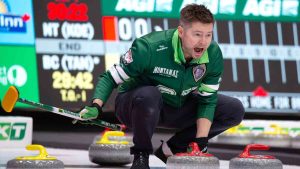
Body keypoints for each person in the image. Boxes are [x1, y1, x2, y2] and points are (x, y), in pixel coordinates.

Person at [79, 3, 245, 169]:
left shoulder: (213, 54)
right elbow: (110, 78)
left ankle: (173, 148)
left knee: (233, 109)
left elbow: (207, 100)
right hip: (135, 106)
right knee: (150, 94)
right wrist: (96, 106)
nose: (203, 42)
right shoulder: (149, 48)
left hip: (175, 105)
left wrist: (200, 142)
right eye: (197, 34)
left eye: (208, 35)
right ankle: (141, 156)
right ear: (181, 32)